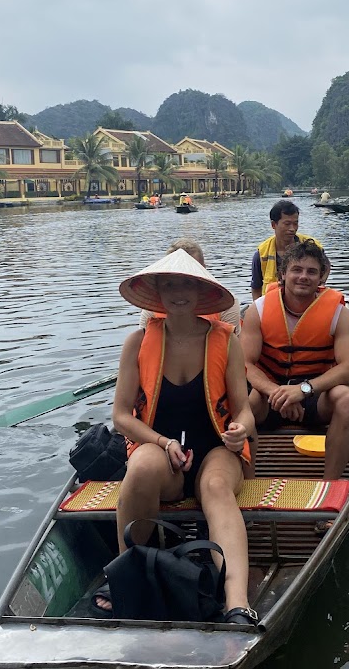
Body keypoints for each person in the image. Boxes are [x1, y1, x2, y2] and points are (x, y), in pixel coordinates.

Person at [103, 249, 258, 625]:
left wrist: (240, 431)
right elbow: (121, 415)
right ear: (157, 292)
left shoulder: (226, 339)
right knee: (139, 468)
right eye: (169, 284)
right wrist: (162, 442)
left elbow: (244, 409)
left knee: (216, 486)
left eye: (186, 283)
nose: (178, 292)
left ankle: (236, 601)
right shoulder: (137, 342)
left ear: (200, 290)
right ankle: (129, 575)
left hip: (216, 450)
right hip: (161, 450)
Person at [242, 239, 349, 482]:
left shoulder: (340, 313)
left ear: (321, 278)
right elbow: (244, 364)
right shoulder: (259, 310)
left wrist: (302, 390)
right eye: (297, 270)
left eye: (311, 272)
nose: (303, 277)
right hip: (269, 396)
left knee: (348, 399)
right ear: (283, 274)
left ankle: (331, 484)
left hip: (315, 397)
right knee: (246, 401)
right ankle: (246, 484)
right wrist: (277, 391)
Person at [138, 239, 241, 333]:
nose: (179, 291)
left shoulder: (226, 303)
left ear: (204, 269)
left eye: (188, 281)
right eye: (170, 283)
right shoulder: (152, 307)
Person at [249, 200, 323, 299]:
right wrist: (258, 310)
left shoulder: (312, 246)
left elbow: (326, 266)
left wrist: (319, 283)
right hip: (274, 305)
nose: (292, 229)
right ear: (273, 225)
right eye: (287, 224)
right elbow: (256, 287)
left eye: (295, 223)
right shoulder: (262, 253)